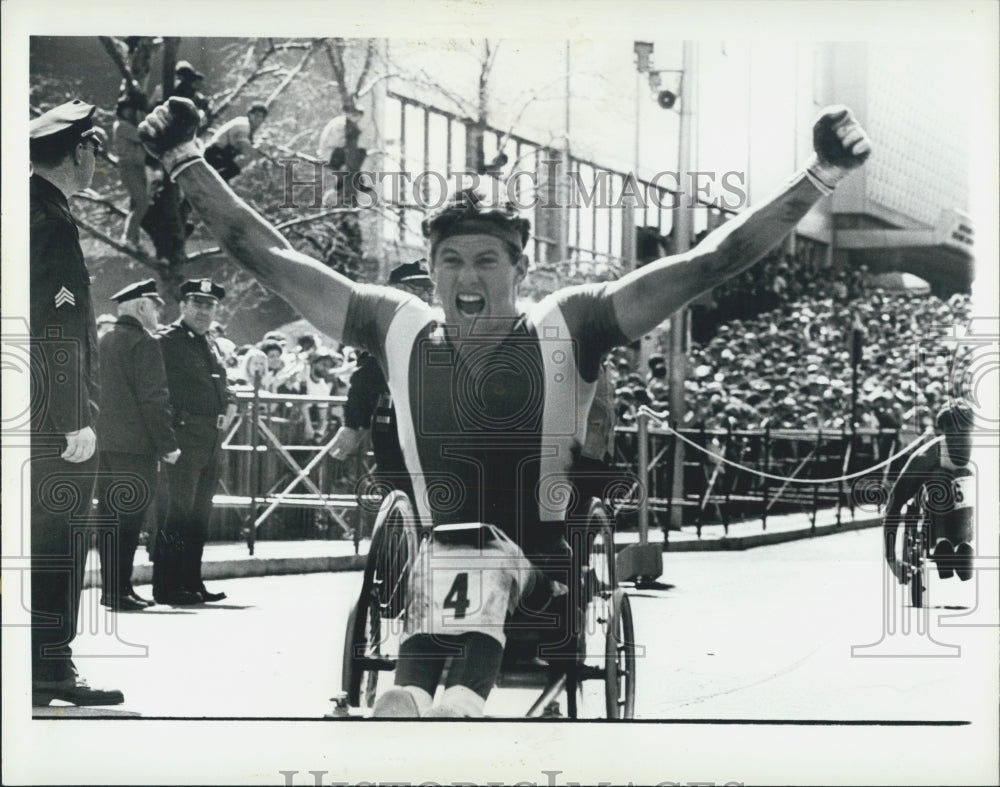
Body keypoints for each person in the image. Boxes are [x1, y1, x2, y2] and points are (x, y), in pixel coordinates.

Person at [139, 98, 871, 716]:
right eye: (452, 259)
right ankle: (414, 698)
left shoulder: (570, 322)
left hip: (545, 576)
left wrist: (819, 176)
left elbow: (709, 260)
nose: (468, 274)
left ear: (520, 269)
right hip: (433, 566)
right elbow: (270, 256)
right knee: (447, 558)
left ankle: (460, 696)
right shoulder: (395, 324)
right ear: (430, 271)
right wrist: (186, 162)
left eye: (487, 259)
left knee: (479, 555)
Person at [29, 99, 124, 706]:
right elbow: (57, 327)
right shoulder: (52, 221)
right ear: (80, 152)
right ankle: (50, 665)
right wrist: (72, 420)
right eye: (94, 151)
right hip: (49, 415)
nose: (97, 163)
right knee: (59, 534)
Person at [95, 279, 181, 611]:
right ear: (142, 306)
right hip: (135, 448)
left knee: (109, 518)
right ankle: (120, 590)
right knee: (129, 521)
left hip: (105, 445)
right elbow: (154, 400)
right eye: (155, 306)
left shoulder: (104, 340)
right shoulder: (144, 343)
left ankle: (112, 588)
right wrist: (168, 444)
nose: (159, 313)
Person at [153, 278, 234, 605]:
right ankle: (168, 585)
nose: (204, 311)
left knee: (200, 514)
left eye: (210, 305)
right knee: (177, 512)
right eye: (197, 304)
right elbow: (155, 388)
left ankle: (191, 581)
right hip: (184, 435)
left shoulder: (209, 341)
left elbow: (221, 383)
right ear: (183, 305)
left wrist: (231, 399)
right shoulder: (168, 341)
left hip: (210, 438)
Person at [329, 260, 435, 509]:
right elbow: (367, 378)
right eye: (420, 288)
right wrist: (353, 425)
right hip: (394, 426)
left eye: (430, 289)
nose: (428, 296)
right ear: (399, 289)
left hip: (427, 428)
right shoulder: (382, 329)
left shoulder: (430, 326)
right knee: (398, 496)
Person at [884, 400, 975, 584]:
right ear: (942, 433)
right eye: (953, 434)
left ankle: (964, 544)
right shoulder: (927, 456)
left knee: (966, 475)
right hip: (936, 512)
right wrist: (891, 559)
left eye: (964, 433)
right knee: (938, 477)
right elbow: (894, 504)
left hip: (970, 513)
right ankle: (942, 544)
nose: (959, 440)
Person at [112, 93, 151, 247]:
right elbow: (142, 137)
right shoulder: (122, 126)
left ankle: (134, 241)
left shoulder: (127, 125)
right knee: (142, 203)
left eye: (131, 110)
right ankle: (128, 238)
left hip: (138, 167)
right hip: (129, 167)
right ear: (121, 111)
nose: (129, 112)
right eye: (126, 109)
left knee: (137, 205)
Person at [203, 102, 268, 182]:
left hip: (220, 154)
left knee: (232, 169)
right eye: (256, 115)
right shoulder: (243, 124)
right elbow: (244, 146)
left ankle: (213, 183)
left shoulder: (248, 128)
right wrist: (256, 150)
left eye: (261, 117)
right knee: (234, 170)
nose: (258, 118)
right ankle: (213, 184)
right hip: (214, 153)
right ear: (250, 114)